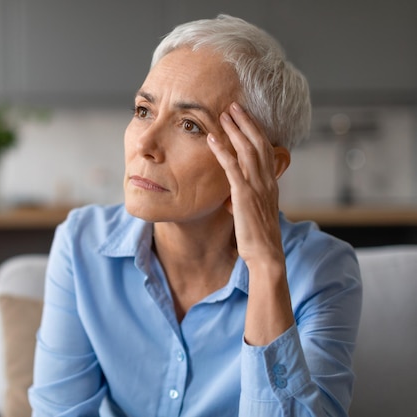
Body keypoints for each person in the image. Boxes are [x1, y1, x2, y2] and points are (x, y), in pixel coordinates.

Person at [29, 14, 362, 417]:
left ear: (267, 166)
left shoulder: (322, 270)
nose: (146, 144)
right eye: (143, 110)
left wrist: (265, 268)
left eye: (189, 124)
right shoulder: (81, 243)